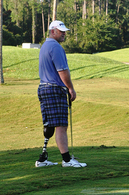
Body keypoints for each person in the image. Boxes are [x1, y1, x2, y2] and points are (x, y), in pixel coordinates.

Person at [35, 20, 87, 168]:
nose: (64, 33)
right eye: (60, 31)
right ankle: (66, 160)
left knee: (50, 124)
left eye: (64, 31)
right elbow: (62, 71)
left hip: (44, 88)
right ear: (53, 31)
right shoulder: (55, 47)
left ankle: (43, 159)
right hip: (54, 89)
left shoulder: (45, 46)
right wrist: (70, 88)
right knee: (61, 126)